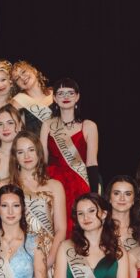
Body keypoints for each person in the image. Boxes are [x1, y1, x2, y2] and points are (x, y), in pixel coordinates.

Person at [40, 78, 99, 237]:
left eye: (70, 93)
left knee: (80, 229)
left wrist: (94, 196)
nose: (65, 96)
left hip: (80, 183)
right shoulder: (47, 125)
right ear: (54, 98)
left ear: (77, 97)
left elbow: (92, 162)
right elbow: (42, 160)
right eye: (60, 93)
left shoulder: (89, 126)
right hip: (54, 183)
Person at [2, 131, 66, 267]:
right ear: (15, 157)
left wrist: (50, 260)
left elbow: (61, 229)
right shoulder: (5, 185)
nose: (27, 156)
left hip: (48, 254)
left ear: (39, 152)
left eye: (31, 150)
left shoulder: (55, 186)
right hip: (16, 255)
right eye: (20, 152)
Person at [10, 61, 53, 134]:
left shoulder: (55, 93)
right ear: (18, 86)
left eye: (23, 72)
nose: (22, 78)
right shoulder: (17, 103)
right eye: (17, 78)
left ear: (34, 70)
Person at [107, 175, 140, 254]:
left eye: (128, 194)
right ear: (109, 198)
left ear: (134, 199)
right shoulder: (98, 227)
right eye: (116, 193)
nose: (122, 198)